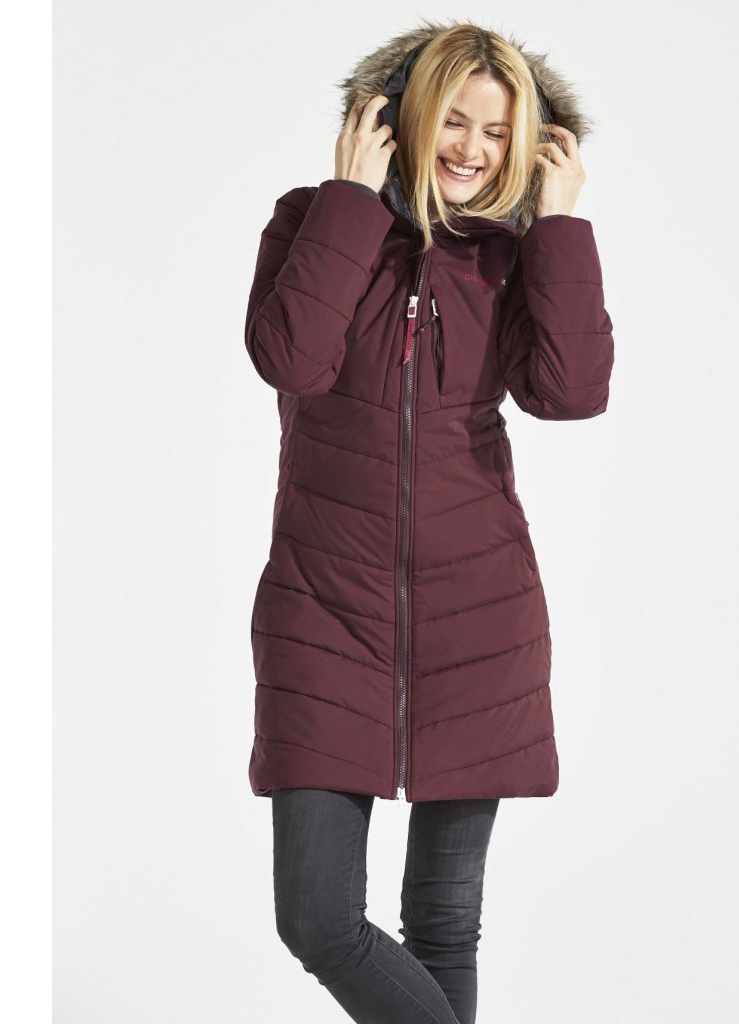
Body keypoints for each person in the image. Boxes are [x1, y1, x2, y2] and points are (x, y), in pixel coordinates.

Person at [243, 19, 615, 1024]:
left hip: (478, 618)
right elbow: (292, 359)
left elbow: (570, 392)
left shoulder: (510, 254)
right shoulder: (312, 220)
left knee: (444, 925)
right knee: (319, 921)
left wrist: (558, 227)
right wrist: (351, 201)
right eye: (454, 120)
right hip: (324, 612)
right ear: (396, 116)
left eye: (497, 132)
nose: (472, 150)